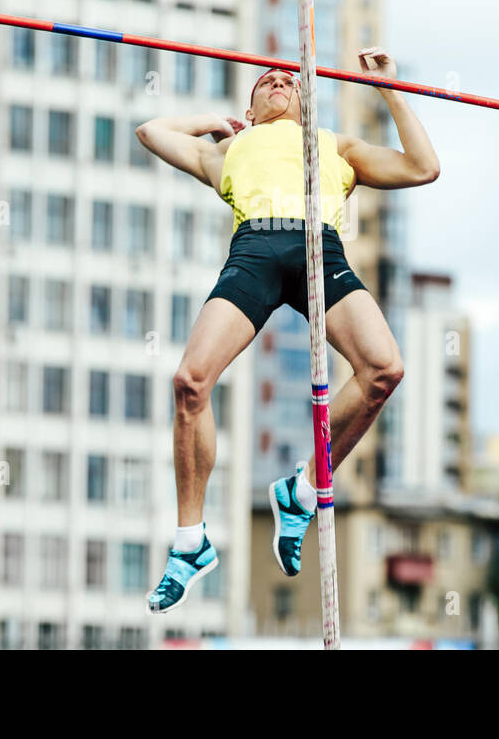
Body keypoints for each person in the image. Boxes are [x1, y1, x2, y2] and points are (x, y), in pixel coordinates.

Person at [134, 48, 440, 613]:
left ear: (307, 100)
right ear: (248, 109)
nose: (279, 80)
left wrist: (389, 90)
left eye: (289, 80)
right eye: (265, 80)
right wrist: (213, 123)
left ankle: (300, 490)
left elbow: (423, 167)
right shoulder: (228, 152)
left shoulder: (334, 145)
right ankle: (190, 542)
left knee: (385, 369)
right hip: (254, 251)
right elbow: (151, 131)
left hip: (319, 248)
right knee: (190, 383)